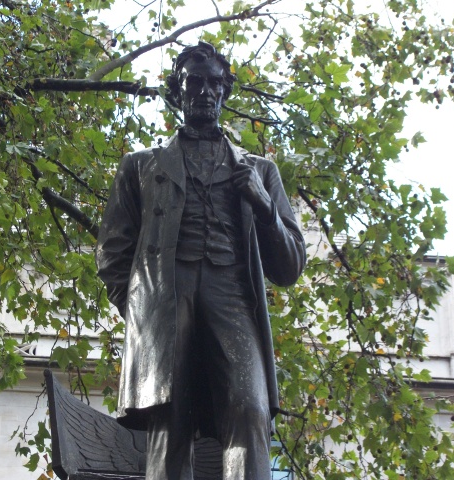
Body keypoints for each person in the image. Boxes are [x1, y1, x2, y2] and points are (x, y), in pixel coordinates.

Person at [96, 42, 305, 480]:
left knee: (250, 409)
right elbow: (113, 253)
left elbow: (289, 267)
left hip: (232, 296)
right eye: (194, 82)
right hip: (163, 299)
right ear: (178, 91)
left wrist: (265, 206)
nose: (205, 92)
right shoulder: (139, 166)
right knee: (169, 423)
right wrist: (141, 310)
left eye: (213, 83)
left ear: (225, 91)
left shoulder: (260, 171)